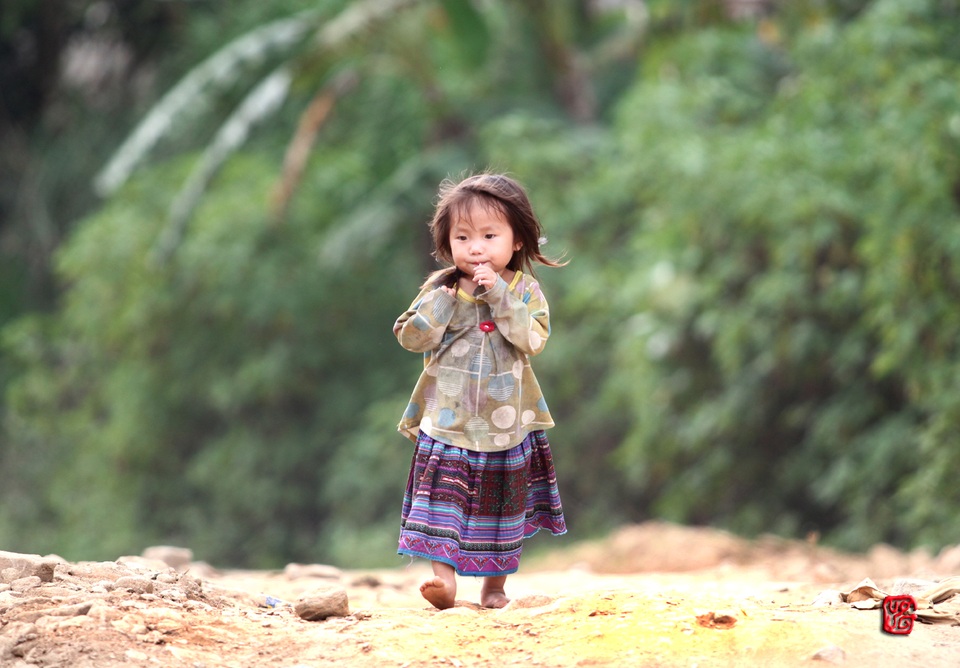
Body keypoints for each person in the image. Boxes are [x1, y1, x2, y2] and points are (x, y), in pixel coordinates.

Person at [392, 172, 567, 610]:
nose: (476, 247)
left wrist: (501, 297)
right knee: (441, 502)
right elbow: (410, 338)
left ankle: (494, 587)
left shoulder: (526, 290)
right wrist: (443, 301)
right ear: (447, 243)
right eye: (463, 237)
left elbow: (534, 340)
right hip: (447, 418)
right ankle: (444, 582)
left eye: (490, 235)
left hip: (506, 422)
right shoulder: (441, 288)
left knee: (501, 508)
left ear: (518, 240)